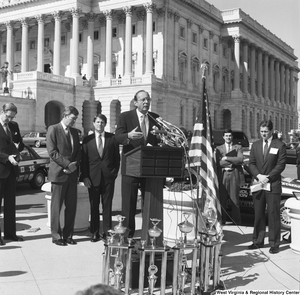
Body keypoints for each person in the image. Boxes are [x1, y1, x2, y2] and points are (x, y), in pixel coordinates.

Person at [115, 90, 160, 239]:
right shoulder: (125, 117)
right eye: (143, 100)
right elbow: (117, 138)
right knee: (129, 205)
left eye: (148, 99)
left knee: (150, 205)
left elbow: (160, 140)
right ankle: (127, 237)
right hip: (131, 168)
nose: (146, 102)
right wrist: (128, 136)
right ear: (135, 102)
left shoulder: (155, 118)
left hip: (149, 169)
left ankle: (149, 237)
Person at [248, 120, 286, 254]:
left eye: (266, 132)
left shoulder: (280, 145)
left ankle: (274, 243)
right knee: (258, 213)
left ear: (271, 131)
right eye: (261, 131)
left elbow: (280, 165)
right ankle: (257, 240)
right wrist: (259, 176)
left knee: (273, 214)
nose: (263, 134)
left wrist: (267, 177)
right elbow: (251, 163)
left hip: (272, 184)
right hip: (258, 184)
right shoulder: (256, 145)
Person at [81, 114, 120, 242]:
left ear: (105, 124)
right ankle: (95, 232)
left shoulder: (112, 138)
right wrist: (85, 177)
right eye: (98, 122)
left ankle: (107, 232)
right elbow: (84, 161)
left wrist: (113, 174)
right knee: (94, 206)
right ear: (94, 123)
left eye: (102, 122)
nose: (100, 124)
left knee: (107, 206)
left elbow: (116, 159)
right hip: (92, 178)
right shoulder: (87, 140)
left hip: (108, 177)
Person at [46, 106, 81, 246]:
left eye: (76, 119)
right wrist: (67, 165)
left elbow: (78, 151)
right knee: (56, 207)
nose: (74, 121)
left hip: (72, 176)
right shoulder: (53, 129)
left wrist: (74, 166)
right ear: (65, 116)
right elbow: (52, 152)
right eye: (73, 118)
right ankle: (56, 236)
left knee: (71, 207)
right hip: (59, 175)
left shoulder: (75, 132)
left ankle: (68, 235)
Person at [0, 103, 24, 245]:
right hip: (1, 168)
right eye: (8, 116)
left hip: (12, 170)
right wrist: (6, 157)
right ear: (2, 111)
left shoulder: (14, 126)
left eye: (12, 117)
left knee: (10, 204)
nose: (9, 120)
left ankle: (10, 234)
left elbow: (20, 143)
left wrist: (18, 149)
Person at [216, 129, 245, 225]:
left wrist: (227, 158)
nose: (228, 137)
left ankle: (237, 221)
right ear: (223, 137)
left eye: (230, 135)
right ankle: (222, 221)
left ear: (232, 137)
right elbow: (218, 163)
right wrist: (233, 160)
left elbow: (240, 160)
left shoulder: (238, 147)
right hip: (224, 174)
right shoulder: (218, 149)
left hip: (234, 174)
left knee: (235, 200)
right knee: (222, 200)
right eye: (226, 136)